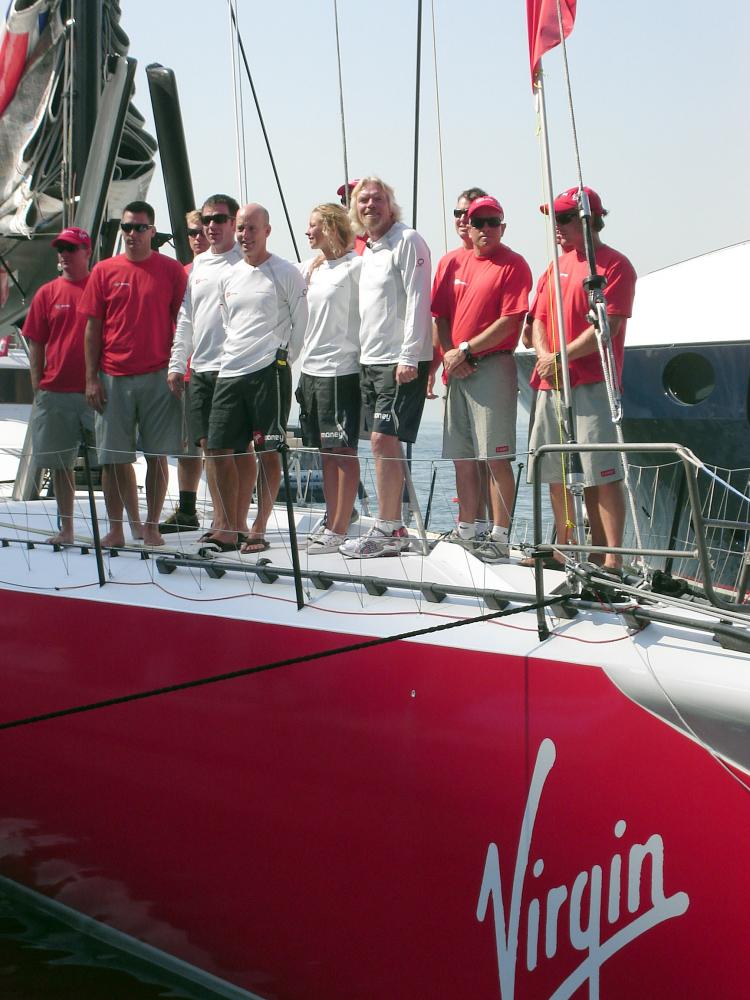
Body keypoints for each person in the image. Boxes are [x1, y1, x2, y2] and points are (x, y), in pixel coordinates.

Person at [527, 186, 637, 569]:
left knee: (601, 473)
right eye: (552, 219)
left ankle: (612, 559)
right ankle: (566, 547)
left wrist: (561, 356)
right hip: (551, 383)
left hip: (591, 383)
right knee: (557, 471)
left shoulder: (614, 266)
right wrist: (546, 358)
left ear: (588, 220)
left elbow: (611, 326)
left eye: (562, 218)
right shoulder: (552, 268)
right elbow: (539, 318)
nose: (555, 227)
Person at [81, 200, 188, 547]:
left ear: (152, 232)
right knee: (114, 459)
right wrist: (90, 378)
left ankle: (152, 525)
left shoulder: (171, 271)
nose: (132, 233)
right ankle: (118, 527)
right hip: (112, 376)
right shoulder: (103, 271)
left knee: (157, 455)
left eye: (139, 227)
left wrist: (178, 369)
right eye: (127, 227)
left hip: (159, 375)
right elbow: (92, 329)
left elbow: (184, 324)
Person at [432, 195, 532, 562]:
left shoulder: (514, 264)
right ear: (467, 228)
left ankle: (500, 536)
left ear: (502, 226)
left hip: (491, 365)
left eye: (493, 222)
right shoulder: (451, 262)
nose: (486, 228)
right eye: (478, 222)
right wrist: (448, 355)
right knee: (462, 457)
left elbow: (512, 320)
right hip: (457, 368)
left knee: (496, 457)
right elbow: (440, 316)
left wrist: (466, 351)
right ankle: (466, 531)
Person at [205, 202, 308, 554]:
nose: (245, 235)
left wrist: (283, 358)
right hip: (229, 371)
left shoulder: (285, 272)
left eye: (251, 228)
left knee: (267, 450)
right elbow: (226, 320)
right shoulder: (229, 275)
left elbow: (300, 321)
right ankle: (232, 525)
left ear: (266, 230)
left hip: (269, 372)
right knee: (218, 448)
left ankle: (258, 528)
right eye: (241, 229)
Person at [339, 176, 433, 559]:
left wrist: (409, 355)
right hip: (370, 360)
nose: (369, 206)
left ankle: (388, 527)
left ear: (390, 205)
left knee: (382, 439)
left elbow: (417, 297)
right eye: (363, 201)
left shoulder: (407, 241)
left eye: (377, 199)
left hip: (399, 361)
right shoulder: (370, 249)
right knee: (380, 443)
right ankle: (391, 524)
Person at [166, 196, 244, 537]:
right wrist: (175, 362)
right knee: (210, 449)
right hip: (200, 368)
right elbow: (187, 318)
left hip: (237, 369)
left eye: (218, 220)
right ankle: (220, 520)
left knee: (238, 449)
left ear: (233, 222)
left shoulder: (248, 262)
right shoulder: (197, 267)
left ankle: (235, 522)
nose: (210, 227)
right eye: (206, 221)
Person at [297, 203, 362, 553]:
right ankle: (332, 518)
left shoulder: (356, 266)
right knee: (325, 451)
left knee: (343, 450)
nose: (307, 231)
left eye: (313, 225)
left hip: (341, 371)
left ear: (332, 227)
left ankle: (340, 528)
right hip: (311, 371)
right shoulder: (312, 268)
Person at [23, 226, 93, 544]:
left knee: (117, 462)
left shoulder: (101, 289)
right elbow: (35, 342)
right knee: (61, 467)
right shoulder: (47, 293)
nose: (64, 254)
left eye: (71, 248)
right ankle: (66, 529)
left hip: (98, 392)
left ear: (86, 251)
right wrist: (38, 383)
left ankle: (123, 528)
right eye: (61, 249)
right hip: (56, 393)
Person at [159, 208, 214, 533]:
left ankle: (228, 516)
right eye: (190, 233)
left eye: (200, 231)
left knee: (221, 446)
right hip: (188, 371)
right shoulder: (182, 273)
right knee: (188, 446)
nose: (196, 238)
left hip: (219, 371)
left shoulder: (233, 270)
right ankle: (188, 509)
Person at [337, 180, 368, 255]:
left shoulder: (386, 235)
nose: (349, 204)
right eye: (345, 200)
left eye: (353, 199)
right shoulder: (339, 240)